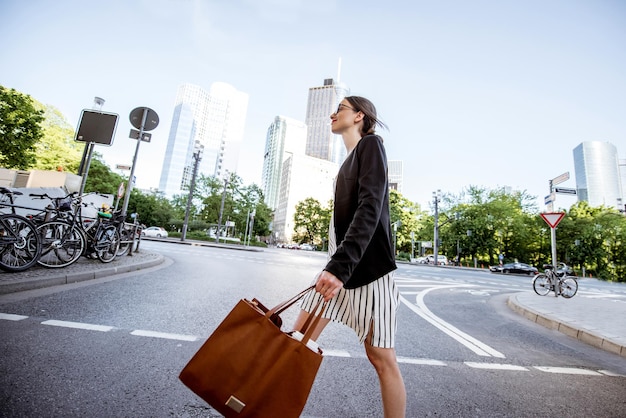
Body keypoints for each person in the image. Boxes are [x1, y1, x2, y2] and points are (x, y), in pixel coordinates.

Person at [294, 96, 406, 418]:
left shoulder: (371, 146)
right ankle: (268, 406)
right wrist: (336, 266)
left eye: (340, 108)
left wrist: (340, 268)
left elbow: (370, 207)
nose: (332, 113)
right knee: (296, 341)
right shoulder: (349, 159)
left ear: (359, 115)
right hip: (338, 270)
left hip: (366, 274)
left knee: (381, 359)